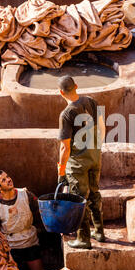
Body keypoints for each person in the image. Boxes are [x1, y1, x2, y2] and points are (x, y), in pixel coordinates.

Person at [57, 75, 106, 249]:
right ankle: (99, 231)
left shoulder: (66, 114)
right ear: (76, 86)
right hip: (94, 157)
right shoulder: (91, 101)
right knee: (94, 193)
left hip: (77, 164)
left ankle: (83, 238)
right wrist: (96, 149)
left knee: (80, 198)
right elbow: (102, 127)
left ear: (61, 92)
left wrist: (61, 171)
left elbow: (65, 148)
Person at [0, 170, 44, 270]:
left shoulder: (25, 194)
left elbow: (41, 213)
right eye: (3, 180)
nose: (8, 180)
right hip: (11, 247)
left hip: (30, 242)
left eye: (7, 176)